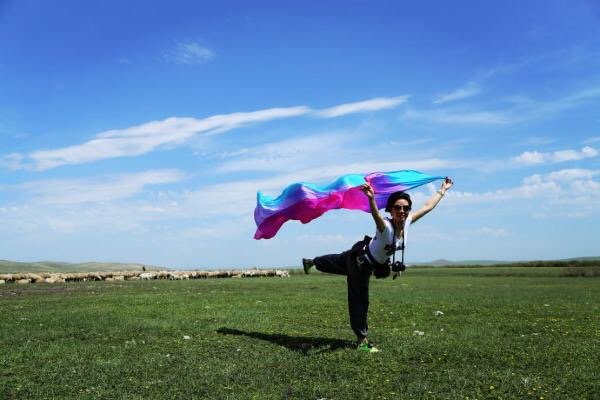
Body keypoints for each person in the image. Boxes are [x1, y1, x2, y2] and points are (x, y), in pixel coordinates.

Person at [302, 177, 454, 352]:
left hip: (363, 256)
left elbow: (427, 206)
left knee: (335, 261)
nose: (402, 211)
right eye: (397, 207)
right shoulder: (385, 227)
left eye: (406, 208)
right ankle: (362, 341)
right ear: (391, 210)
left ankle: (311, 262)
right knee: (359, 300)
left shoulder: (407, 223)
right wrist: (371, 198)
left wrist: (443, 190)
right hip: (360, 264)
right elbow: (376, 217)